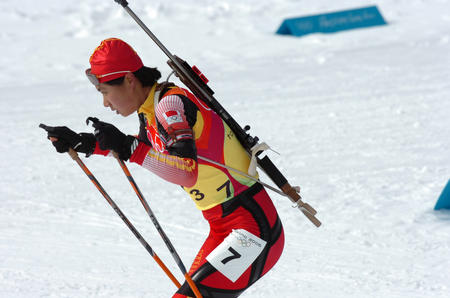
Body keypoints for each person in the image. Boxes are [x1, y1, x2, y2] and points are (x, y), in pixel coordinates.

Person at [42, 38, 284, 298]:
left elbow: (185, 172)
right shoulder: (150, 111)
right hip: (225, 227)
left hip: (254, 230)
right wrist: (86, 143)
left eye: (104, 91)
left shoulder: (169, 106)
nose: (105, 103)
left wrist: (128, 147)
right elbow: (145, 149)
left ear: (129, 80)